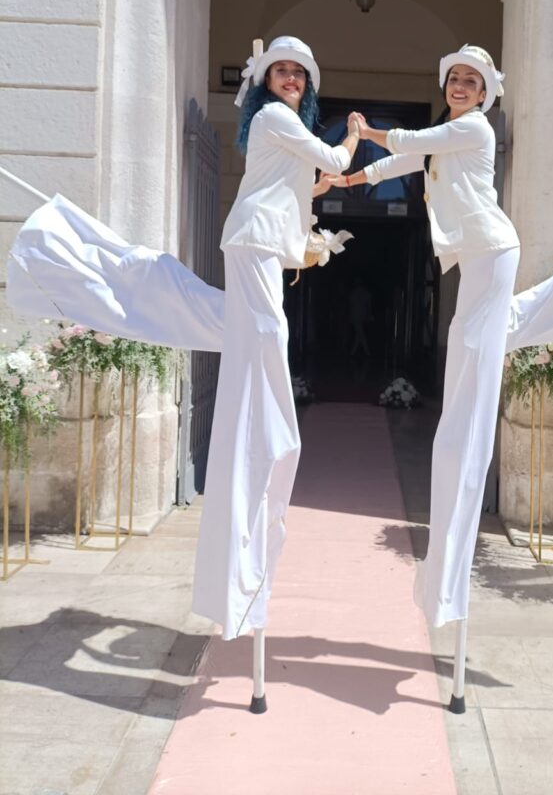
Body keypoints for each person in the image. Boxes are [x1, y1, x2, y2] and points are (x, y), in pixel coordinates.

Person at [325, 44, 518, 627]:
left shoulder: (475, 130)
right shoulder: (448, 133)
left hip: (492, 249)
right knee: (467, 344)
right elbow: (403, 164)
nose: (460, 87)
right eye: (454, 79)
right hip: (475, 255)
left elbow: (406, 145)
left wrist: (366, 130)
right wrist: (349, 176)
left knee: (477, 351)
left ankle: (469, 442)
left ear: (484, 94)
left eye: (470, 82)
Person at [191, 36, 361, 640]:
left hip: (261, 242)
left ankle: (261, 409)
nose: (289, 78)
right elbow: (334, 163)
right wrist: (353, 135)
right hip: (257, 243)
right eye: (281, 71)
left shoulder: (281, 126)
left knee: (266, 335)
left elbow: (300, 184)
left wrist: (317, 197)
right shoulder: (273, 116)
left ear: (306, 82)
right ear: (266, 82)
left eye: (297, 72)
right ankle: (262, 414)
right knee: (266, 335)